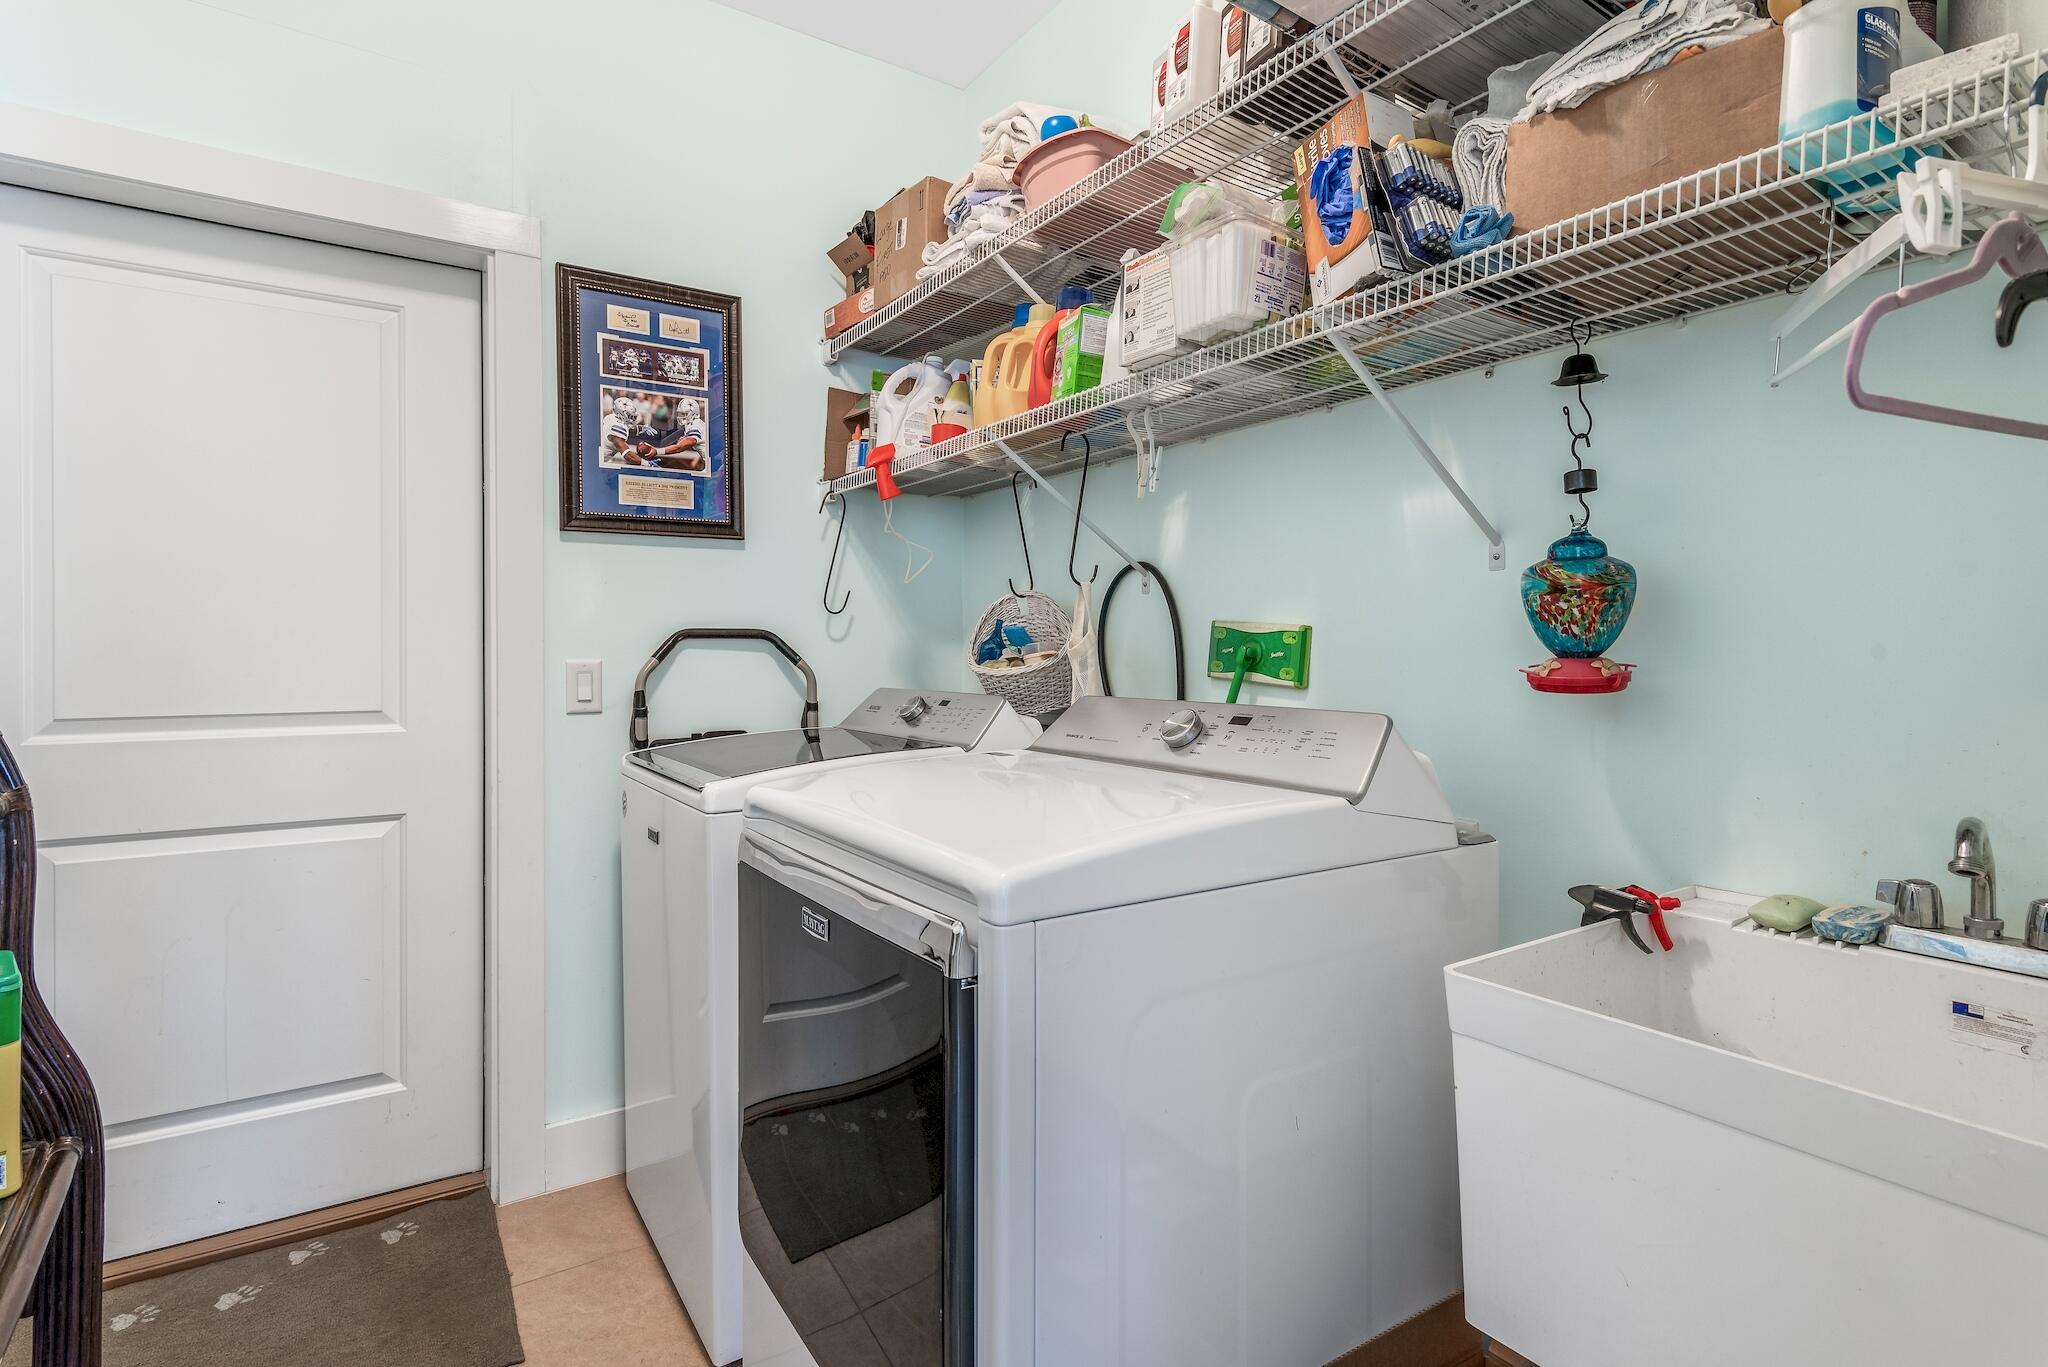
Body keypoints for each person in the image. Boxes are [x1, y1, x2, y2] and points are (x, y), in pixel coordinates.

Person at [634, 396, 709, 471]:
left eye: (684, 414)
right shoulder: (691, 424)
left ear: (693, 413)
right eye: (680, 413)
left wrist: (657, 451)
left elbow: (679, 448)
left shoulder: (695, 426)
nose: (681, 416)